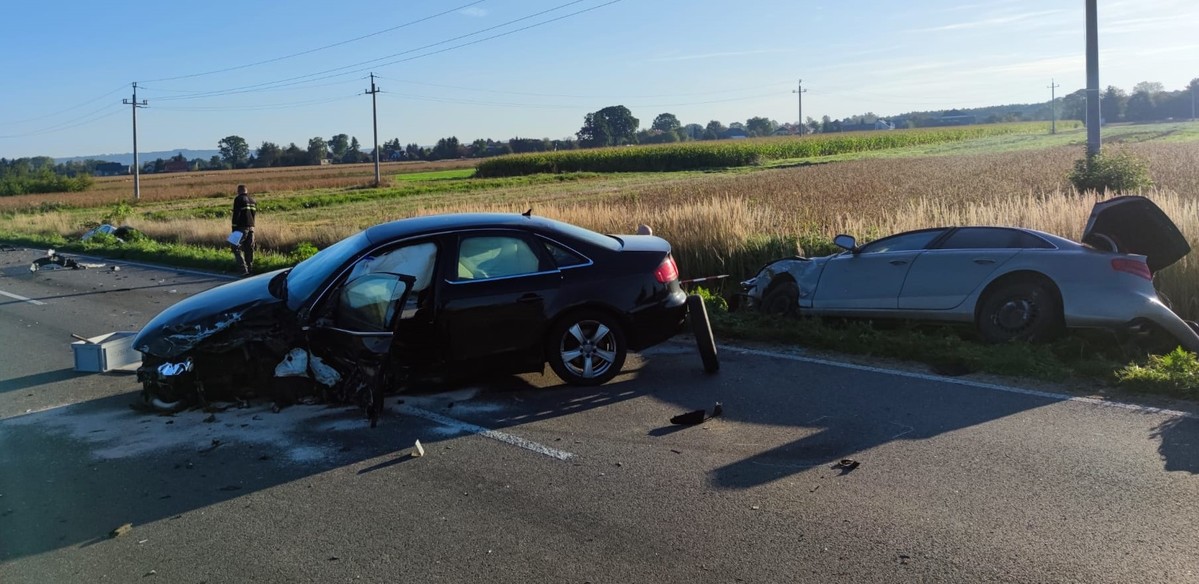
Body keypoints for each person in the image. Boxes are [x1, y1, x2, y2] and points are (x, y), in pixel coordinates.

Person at [231, 184, 257, 275]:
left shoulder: (238, 199)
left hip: (241, 227)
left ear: (239, 191)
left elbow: (236, 214)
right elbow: (253, 215)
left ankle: (243, 269)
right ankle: (250, 269)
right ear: (246, 190)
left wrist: (234, 228)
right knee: (249, 248)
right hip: (251, 227)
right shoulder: (252, 200)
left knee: (235, 246)